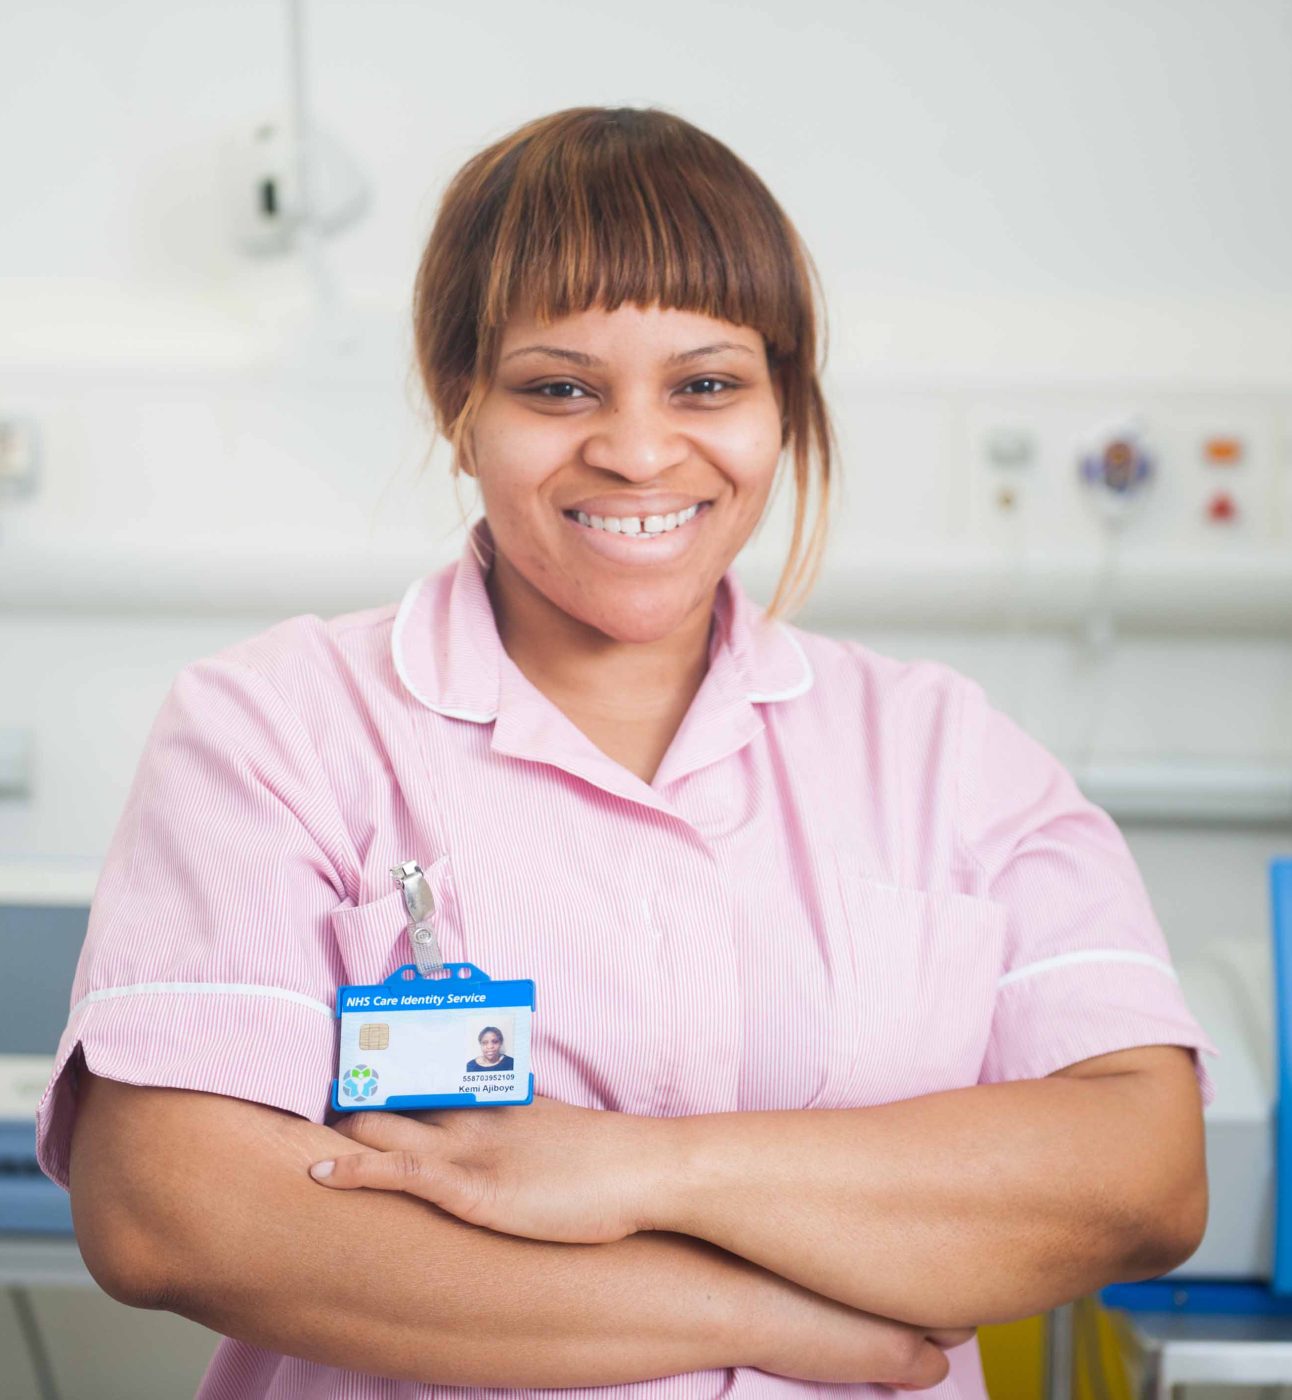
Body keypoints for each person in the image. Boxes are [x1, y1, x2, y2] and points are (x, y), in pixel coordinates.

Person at [40, 105, 1217, 1400]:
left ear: (784, 406)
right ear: (458, 403)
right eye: (559, 387)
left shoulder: (951, 758)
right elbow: (169, 1212)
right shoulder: (279, 732)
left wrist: (630, 1169)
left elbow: (1143, 1176)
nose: (641, 449)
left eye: (708, 384)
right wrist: (773, 1315)